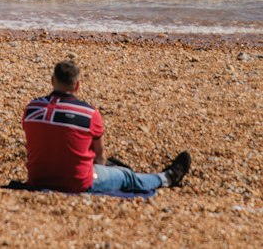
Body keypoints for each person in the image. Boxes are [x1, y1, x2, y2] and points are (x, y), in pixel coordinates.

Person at [22, 58, 191, 195]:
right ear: (77, 85)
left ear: (52, 81)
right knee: (126, 176)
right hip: (77, 183)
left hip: (37, 179)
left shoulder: (32, 108)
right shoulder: (89, 113)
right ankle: (166, 178)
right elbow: (100, 157)